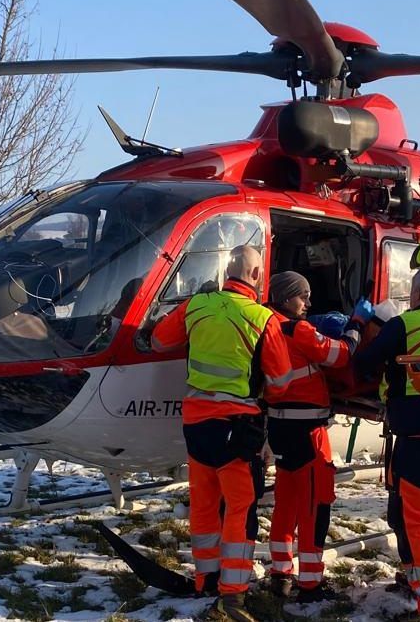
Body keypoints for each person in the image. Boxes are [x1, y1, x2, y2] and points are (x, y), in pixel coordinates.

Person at [151, 245, 293, 622]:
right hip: (238, 427)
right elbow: (281, 382)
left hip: (197, 422)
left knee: (203, 502)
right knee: (240, 509)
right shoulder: (263, 318)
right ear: (258, 276)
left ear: (226, 271)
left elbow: (159, 340)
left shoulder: (197, 305)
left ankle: (205, 578)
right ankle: (234, 593)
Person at [354, 264, 420, 620]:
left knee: (416, 520)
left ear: (415, 295)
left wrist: (359, 328)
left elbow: (364, 362)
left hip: (417, 441)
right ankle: (419, 582)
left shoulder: (405, 323)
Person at [263, 271, 372, 601]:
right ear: (286, 298)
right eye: (302, 296)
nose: (308, 303)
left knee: (285, 503)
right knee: (314, 506)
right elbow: (341, 354)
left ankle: (281, 573)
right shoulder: (298, 329)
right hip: (308, 433)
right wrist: (356, 323)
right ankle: (310, 584)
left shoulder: (264, 326)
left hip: (280, 430)